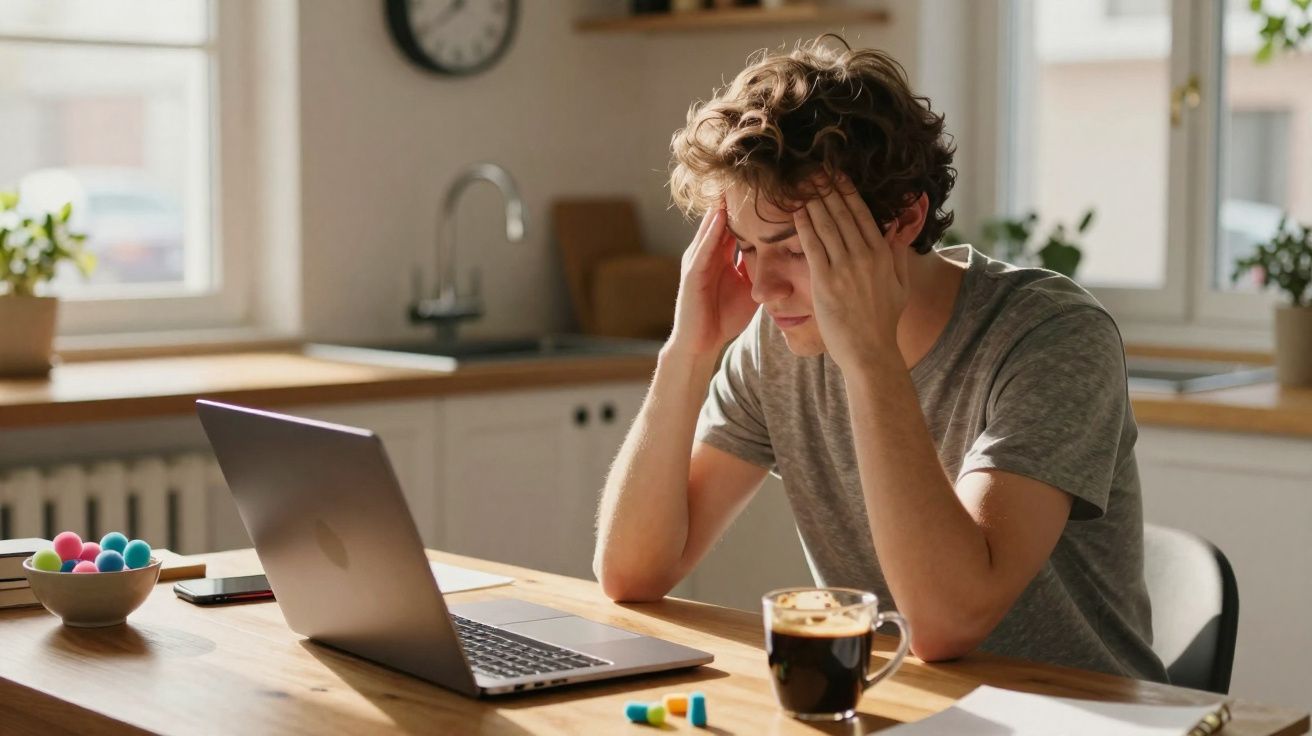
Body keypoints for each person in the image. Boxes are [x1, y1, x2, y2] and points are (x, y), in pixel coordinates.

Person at [592, 37, 1168, 682]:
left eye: (794, 248)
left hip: (1079, 717)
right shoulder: (778, 342)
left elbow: (946, 624)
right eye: (747, 248)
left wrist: (869, 359)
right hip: (907, 708)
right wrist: (687, 353)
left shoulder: (1051, 335)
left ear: (901, 220)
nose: (762, 287)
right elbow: (631, 573)